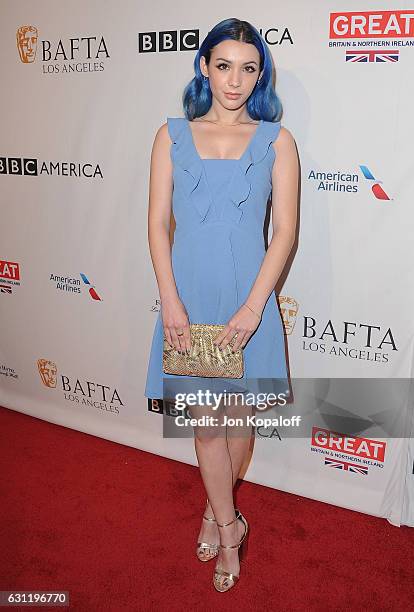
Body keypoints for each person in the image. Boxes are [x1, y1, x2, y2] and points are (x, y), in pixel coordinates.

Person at [144, 17, 298, 592]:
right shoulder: (170, 135)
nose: (235, 81)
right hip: (189, 298)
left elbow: (283, 232)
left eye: (248, 68)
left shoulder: (278, 141)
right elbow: (158, 225)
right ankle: (231, 528)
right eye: (224, 65)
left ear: (261, 76)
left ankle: (215, 507)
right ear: (205, 67)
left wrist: (256, 308)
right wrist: (170, 301)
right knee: (208, 429)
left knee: (237, 425)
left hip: (248, 302)